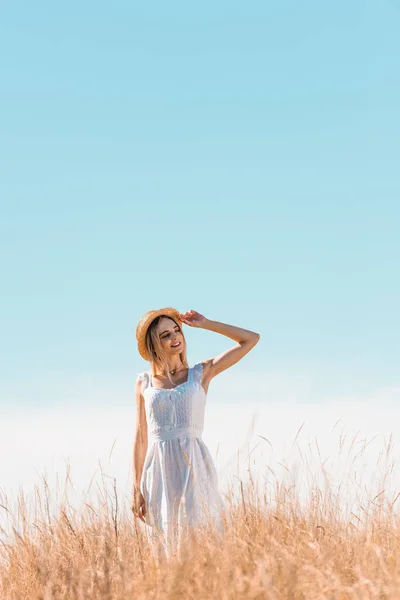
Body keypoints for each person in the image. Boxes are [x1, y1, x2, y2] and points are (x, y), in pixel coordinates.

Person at [131, 307, 260, 560]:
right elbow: (141, 437)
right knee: (165, 545)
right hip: (157, 470)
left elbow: (250, 339)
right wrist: (136, 489)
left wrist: (207, 323)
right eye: (165, 335)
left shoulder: (200, 374)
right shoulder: (143, 383)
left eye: (176, 330)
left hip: (193, 463)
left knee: (198, 536)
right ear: (154, 344)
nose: (174, 337)